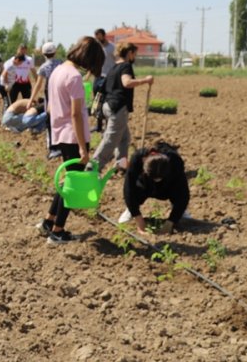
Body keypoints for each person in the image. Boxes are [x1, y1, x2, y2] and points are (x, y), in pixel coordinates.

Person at [38, 36, 105, 245]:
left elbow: (50, 107)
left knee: (67, 180)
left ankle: (49, 221)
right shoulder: (74, 77)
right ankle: (58, 231)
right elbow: (76, 114)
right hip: (74, 136)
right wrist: (84, 149)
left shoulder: (57, 71)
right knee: (73, 185)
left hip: (60, 133)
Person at [92, 41, 154, 171]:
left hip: (108, 106)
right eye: (134, 54)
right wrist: (145, 80)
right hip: (118, 107)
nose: (134, 57)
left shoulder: (113, 68)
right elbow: (126, 83)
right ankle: (92, 168)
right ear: (129, 53)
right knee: (110, 140)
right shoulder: (126, 66)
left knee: (124, 138)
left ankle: (122, 164)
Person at [119, 141, 191, 238]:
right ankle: (130, 210)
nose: (157, 180)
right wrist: (138, 217)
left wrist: (171, 221)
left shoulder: (175, 161)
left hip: (167, 187)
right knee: (136, 189)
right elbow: (128, 188)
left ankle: (180, 211)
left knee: (177, 192)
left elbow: (184, 192)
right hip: (145, 186)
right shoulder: (137, 159)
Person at [28, 42, 63, 158]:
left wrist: (31, 99)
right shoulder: (61, 63)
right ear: (55, 52)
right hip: (62, 93)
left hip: (50, 93)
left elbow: (38, 85)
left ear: (43, 54)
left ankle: (53, 148)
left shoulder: (43, 67)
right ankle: (63, 145)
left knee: (50, 120)